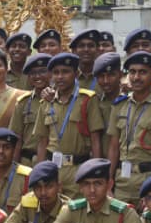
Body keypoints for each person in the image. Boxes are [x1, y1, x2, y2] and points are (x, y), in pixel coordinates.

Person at [33, 52, 103, 196]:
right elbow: (42, 141)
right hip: (52, 167)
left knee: (77, 207)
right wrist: (39, 172)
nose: (60, 77)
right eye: (56, 73)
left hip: (78, 167)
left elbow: (95, 139)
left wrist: (95, 172)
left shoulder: (87, 99)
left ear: (76, 74)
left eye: (65, 72)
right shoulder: (46, 102)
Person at [105, 51, 151, 203]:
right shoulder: (119, 105)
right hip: (121, 180)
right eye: (132, 72)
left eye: (142, 72)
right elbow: (113, 148)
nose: (136, 77)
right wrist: (108, 183)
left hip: (147, 178)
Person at [18, 53, 51, 163]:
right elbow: (17, 137)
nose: (37, 76)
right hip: (26, 161)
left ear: (51, 73)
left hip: (51, 161)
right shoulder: (23, 102)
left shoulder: (59, 100)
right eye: (33, 73)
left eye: (42, 71)